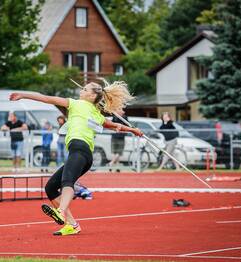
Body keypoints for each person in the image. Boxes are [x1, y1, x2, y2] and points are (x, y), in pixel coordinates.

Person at [9, 80, 143, 236]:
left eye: (84, 89)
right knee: (51, 188)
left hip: (81, 149)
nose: (80, 90)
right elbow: (114, 125)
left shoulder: (76, 104)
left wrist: (132, 130)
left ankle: (61, 211)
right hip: (79, 153)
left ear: (92, 95)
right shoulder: (95, 114)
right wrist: (132, 130)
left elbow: (46, 98)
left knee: (67, 181)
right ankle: (72, 225)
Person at [107, 108, 127, 172]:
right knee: (116, 152)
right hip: (115, 136)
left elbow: (127, 126)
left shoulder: (124, 117)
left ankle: (114, 165)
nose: (123, 111)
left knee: (118, 152)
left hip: (120, 137)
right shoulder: (116, 117)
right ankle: (114, 165)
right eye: (120, 110)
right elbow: (111, 125)